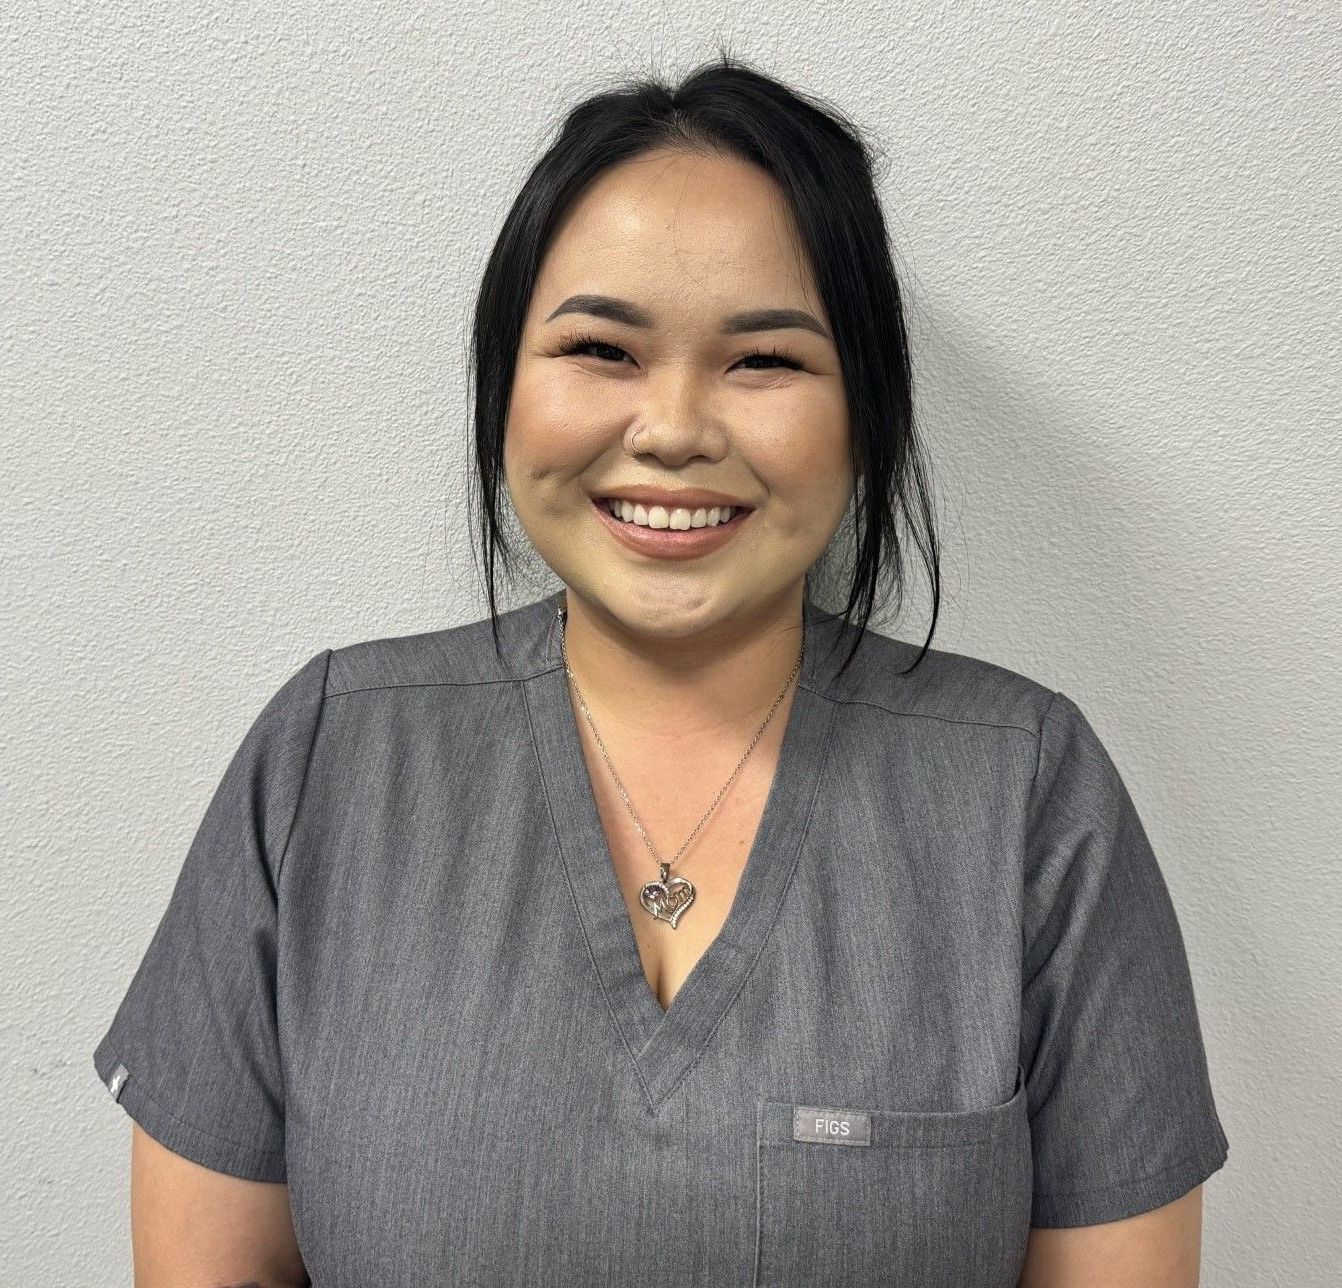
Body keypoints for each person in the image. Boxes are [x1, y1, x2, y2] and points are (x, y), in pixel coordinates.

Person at [92, 52, 1228, 1288]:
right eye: (602, 349)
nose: (676, 427)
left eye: (764, 361)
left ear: (866, 415)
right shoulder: (326, 761)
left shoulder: (1025, 795)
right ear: (503, 388)